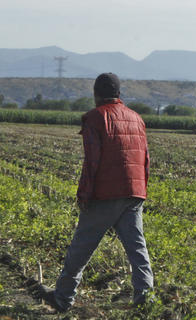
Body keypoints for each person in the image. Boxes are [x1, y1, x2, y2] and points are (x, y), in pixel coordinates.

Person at [37, 73, 154, 312]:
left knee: (81, 248)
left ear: (96, 95)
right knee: (137, 249)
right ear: (119, 94)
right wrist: (141, 191)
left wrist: (84, 195)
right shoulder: (136, 118)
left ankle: (62, 297)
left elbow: (92, 161)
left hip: (105, 194)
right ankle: (145, 299)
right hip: (134, 192)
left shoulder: (95, 117)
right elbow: (146, 159)